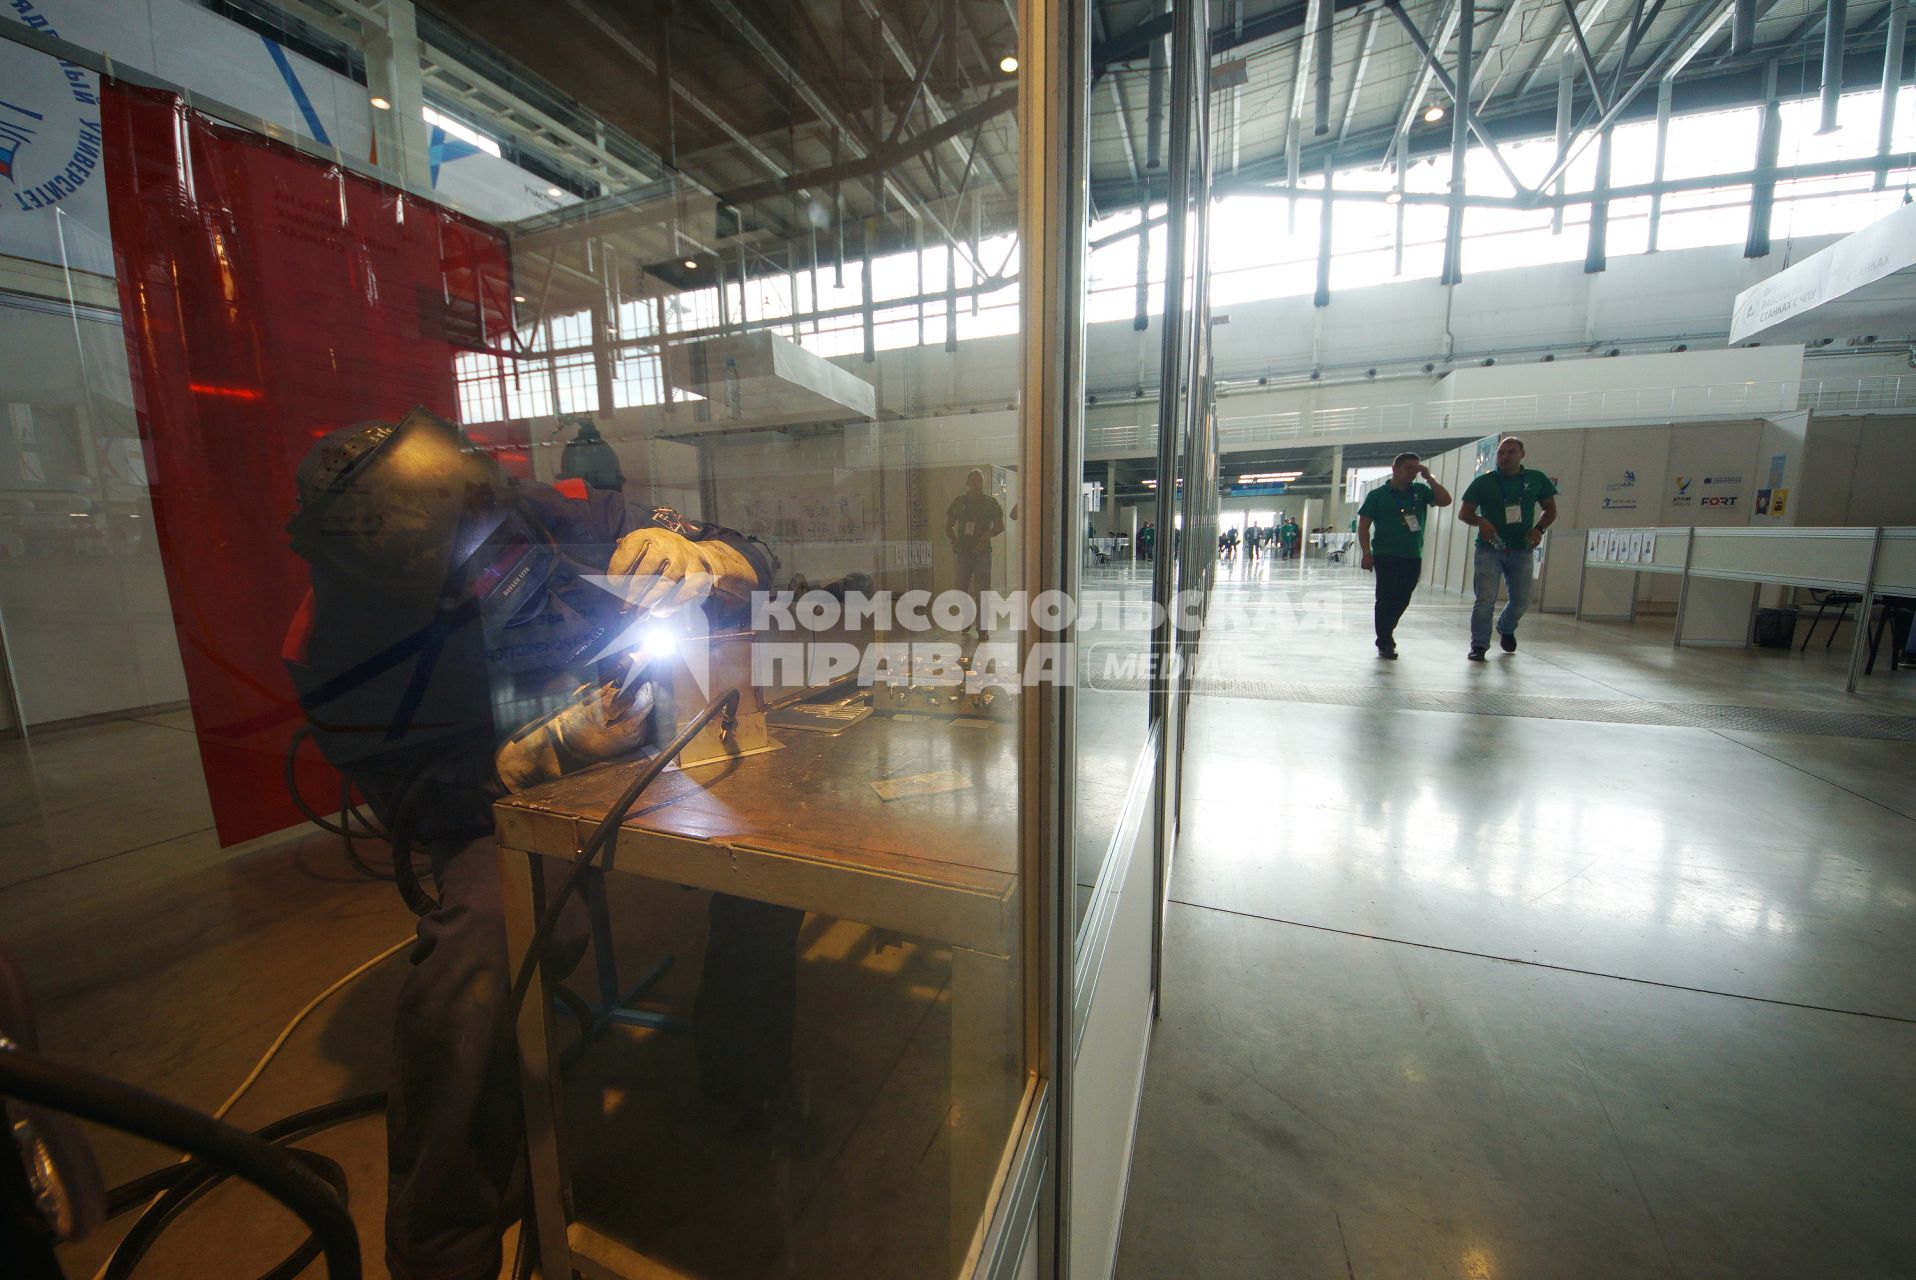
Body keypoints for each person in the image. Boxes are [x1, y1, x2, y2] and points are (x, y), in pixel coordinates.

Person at [283, 408, 803, 1280]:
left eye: (494, 540)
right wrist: (535, 755)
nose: (494, 571)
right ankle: (440, 1252)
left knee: (770, 851)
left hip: (641, 744)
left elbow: (758, 557)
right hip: (500, 799)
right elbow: (413, 800)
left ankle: (741, 1084)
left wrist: (707, 558)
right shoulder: (334, 646)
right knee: (478, 957)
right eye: (469, 566)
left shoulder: (537, 511)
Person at [1457, 434, 1559, 661]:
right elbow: (1465, 512)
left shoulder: (1536, 479)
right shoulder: (1484, 482)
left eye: (1511, 452)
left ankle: (1506, 626)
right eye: (1501, 453)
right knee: (1485, 600)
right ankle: (1479, 645)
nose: (1505, 457)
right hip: (1489, 548)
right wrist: (1480, 521)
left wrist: (1539, 529)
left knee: (1522, 599)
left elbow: (1550, 509)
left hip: (1521, 548)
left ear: (1522, 455)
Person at [1357, 452, 1453, 659]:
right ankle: (1384, 640)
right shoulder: (1377, 495)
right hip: (1385, 553)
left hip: (1412, 553)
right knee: (1386, 596)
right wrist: (1367, 553)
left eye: (1416, 468)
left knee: (1403, 597)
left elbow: (1445, 500)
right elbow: (1364, 526)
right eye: (1408, 468)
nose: (1413, 472)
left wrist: (1430, 478)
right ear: (1395, 469)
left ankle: (1386, 630)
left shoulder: (1421, 491)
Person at [946, 468, 1006, 639]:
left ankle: (983, 628)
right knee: (961, 588)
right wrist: (954, 542)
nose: (977, 484)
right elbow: (948, 527)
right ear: (968, 483)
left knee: (982, 590)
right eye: (973, 480)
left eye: (979, 480)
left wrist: (988, 534)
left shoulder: (990, 503)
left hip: (982, 552)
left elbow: (1000, 526)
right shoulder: (959, 502)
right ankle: (966, 619)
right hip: (963, 552)